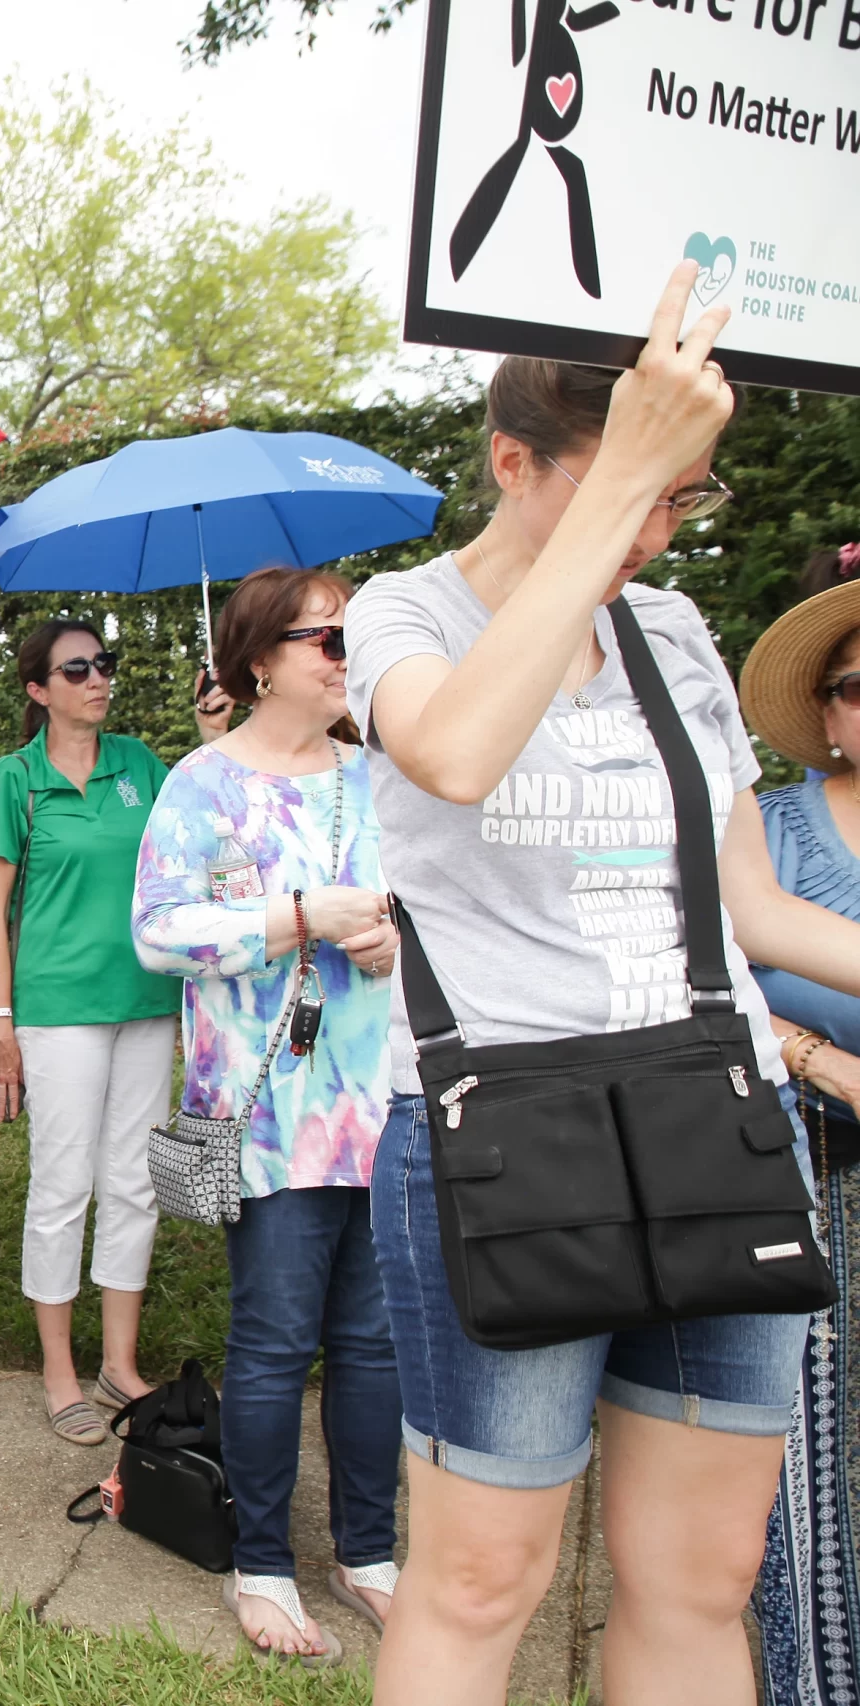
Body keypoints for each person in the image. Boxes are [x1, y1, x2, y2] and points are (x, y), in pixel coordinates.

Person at [346, 272, 860, 1704]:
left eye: (682, 496)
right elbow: (454, 753)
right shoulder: (404, 615)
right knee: (480, 1579)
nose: (654, 531)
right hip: (505, 1133)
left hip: (715, 1120)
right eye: (633, 488)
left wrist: (631, 489)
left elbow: (751, 905)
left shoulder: (672, 629)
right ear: (511, 461)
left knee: (705, 1575)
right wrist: (625, 472)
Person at [134, 568, 401, 1662]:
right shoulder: (201, 785)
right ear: (259, 661)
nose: (346, 656)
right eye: (326, 638)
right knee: (276, 1341)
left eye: (352, 637)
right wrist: (298, 915)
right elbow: (157, 933)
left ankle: (367, 1552)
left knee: (375, 1344)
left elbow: (434, 903)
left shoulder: (377, 775)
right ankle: (263, 1562)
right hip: (267, 1117)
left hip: (382, 1104)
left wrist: (394, 939)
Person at [0, 620, 189, 1447]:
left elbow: (199, 838)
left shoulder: (140, 764)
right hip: (57, 1010)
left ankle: (118, 1365)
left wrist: (212, 735)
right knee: (63, 1186)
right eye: (77, 669)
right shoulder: (16, 778)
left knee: (133, 1183)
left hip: (148, 1000)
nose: (98, 678)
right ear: (38, 689)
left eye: (104, 663)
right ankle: (59, 1372)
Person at [729, 553, 860, 1706]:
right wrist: (826, 1063)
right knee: (805, 1466)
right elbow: (706, 981)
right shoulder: (768, 834)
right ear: (826, 712)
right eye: (859, 685)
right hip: (805, 1164)